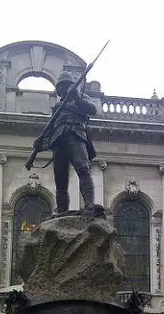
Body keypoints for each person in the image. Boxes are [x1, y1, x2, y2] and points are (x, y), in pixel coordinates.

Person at [32, 71, 99, 214]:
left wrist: (77, 98)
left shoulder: (79, 97)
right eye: (60, 87)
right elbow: (49, 131)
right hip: (58, 142)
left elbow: (93, 109)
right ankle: (62, 212)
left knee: (83, 169)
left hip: (75, 135)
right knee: (60, 181)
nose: (62, 89)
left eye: (64, 85)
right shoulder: (57, 108)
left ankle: (90, 204)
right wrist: (41, 145)